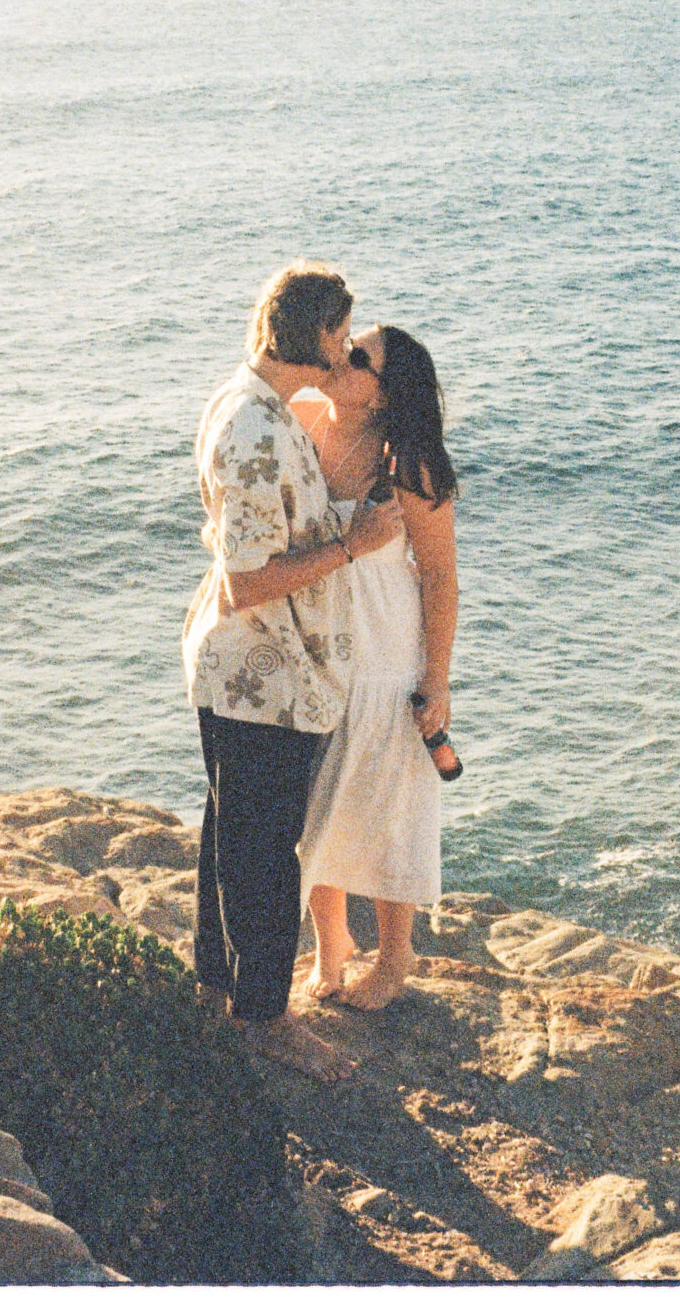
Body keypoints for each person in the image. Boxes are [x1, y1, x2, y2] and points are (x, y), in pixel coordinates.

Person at [181, 260, 404, 1081]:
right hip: (257, 676)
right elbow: (246, 581)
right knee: (266, 850)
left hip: (254, 675)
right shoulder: (255, 431)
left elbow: (274, 529)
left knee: (229, 836)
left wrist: (348, 517)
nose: (345, 352)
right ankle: (264, 1019)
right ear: (311, 336)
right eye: (340, 337)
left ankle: (216, 988)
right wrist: (354, 546)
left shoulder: (251, 405)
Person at [292, 322, 463, 1012]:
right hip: (314, 642)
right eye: (346, 344)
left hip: (385, 648)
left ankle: (396, 957)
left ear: (382, 396)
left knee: (391, 799)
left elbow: (442, 575)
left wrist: (438, 679)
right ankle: (332, 941)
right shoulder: (300, 418)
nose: (341, 356)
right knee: (312, 799)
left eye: (358, 358)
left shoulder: (407, 464)